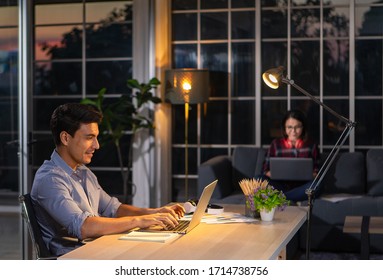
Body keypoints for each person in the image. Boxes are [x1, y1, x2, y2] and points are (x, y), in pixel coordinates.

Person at [31, 103, 185, 256]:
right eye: (89, 138)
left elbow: (113, 209)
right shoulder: (50, 180)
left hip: (99, 248)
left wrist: (155, 213)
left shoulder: (83, 172)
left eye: (96, 138)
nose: (96, 146)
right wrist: (139, 220)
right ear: (65, 138)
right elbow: (83, 227)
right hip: (76, 258)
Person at [261, 109, 320, 202]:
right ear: (284, 128)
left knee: (317, 185)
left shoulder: (311, 145)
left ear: (303, 127)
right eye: (289, 127)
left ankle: (282, 199)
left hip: (302, 187)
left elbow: (317, 171)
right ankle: (288, 198)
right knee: (258, 179)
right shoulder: (276, 144)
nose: (293, 131)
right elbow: (265, 170)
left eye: (297, 127)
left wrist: (311, 175)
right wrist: (273, 174)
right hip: (279, 185)